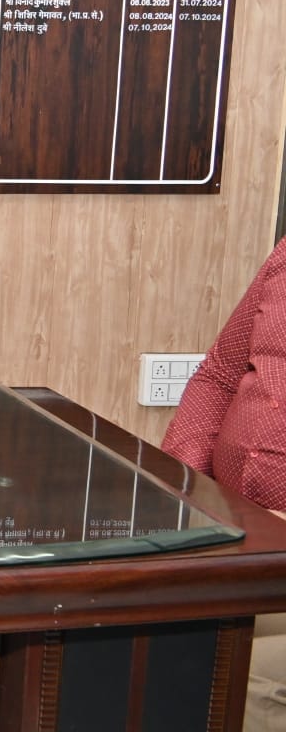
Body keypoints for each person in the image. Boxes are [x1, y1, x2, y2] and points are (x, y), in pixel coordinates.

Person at [162, 235, 286, 731]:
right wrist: (182, 487)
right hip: (234, 528)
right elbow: (218, 376)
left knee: (230, 667)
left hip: (266, 547)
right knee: (116, 618)